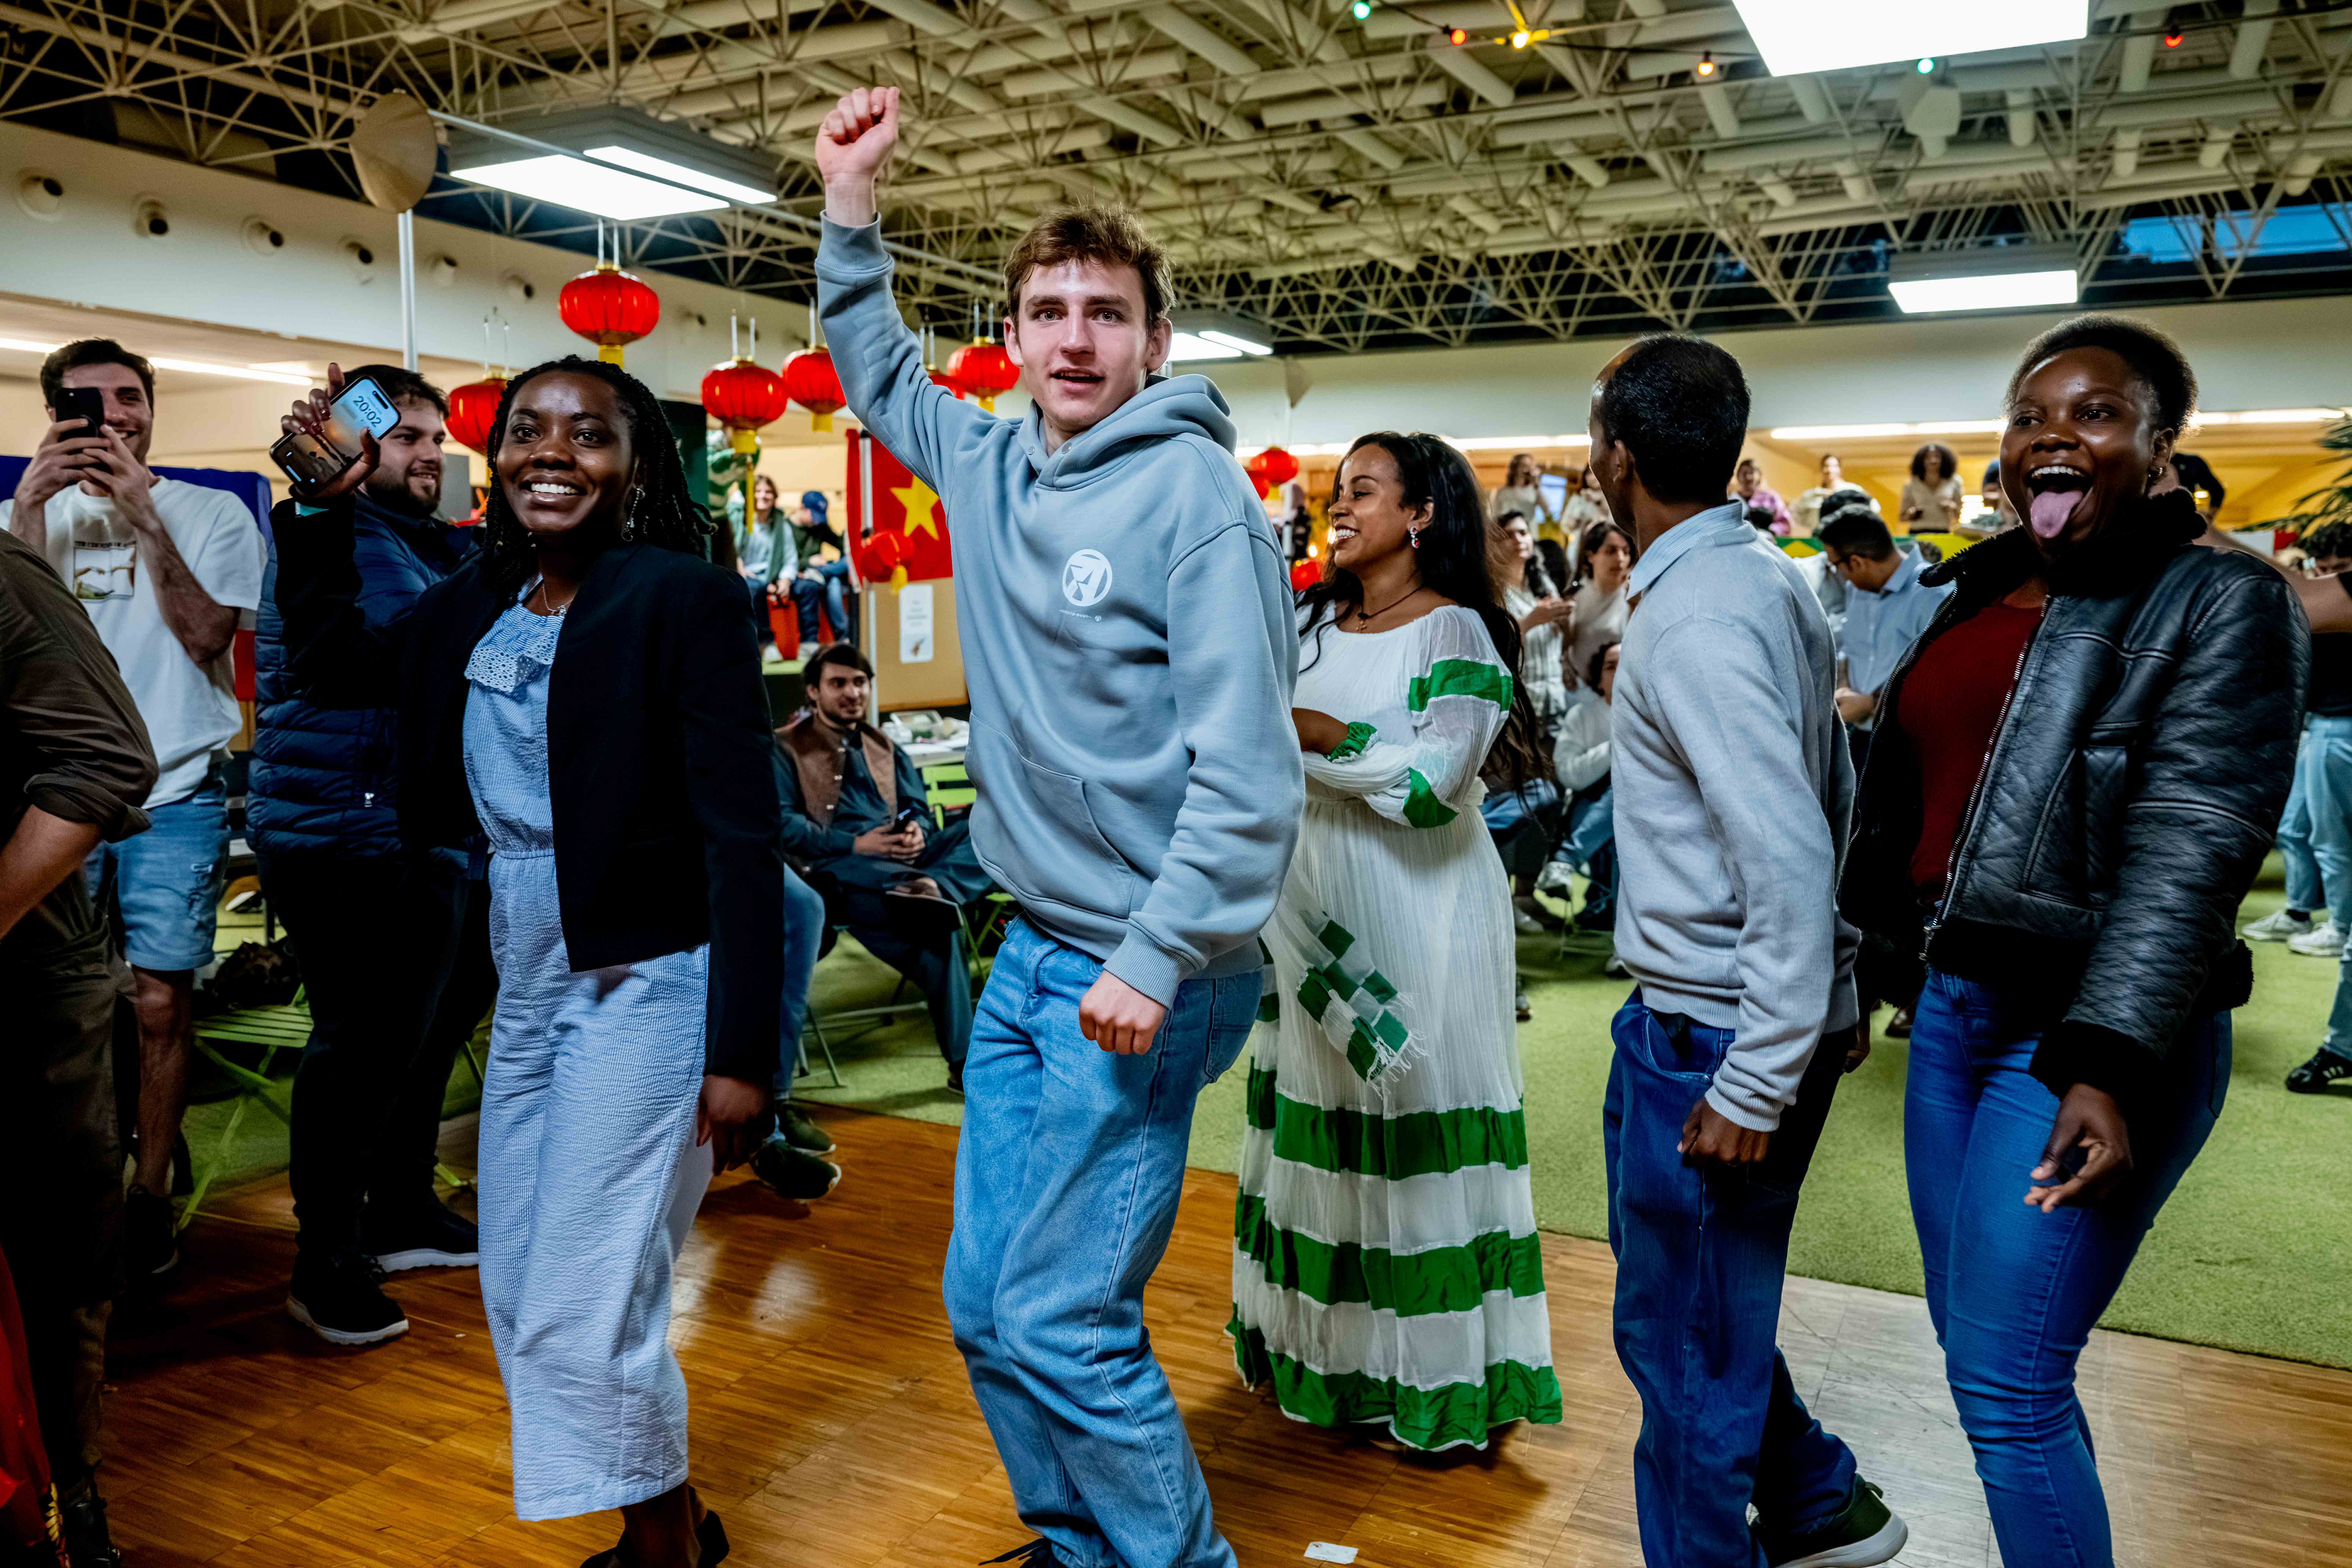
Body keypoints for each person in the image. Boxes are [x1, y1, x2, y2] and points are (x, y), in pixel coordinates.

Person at [817, 86, 1300, 1568]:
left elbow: (1250, 773)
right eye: (1049, 311)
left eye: (1106, 312)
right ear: (1013, 335)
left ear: (1155, 340)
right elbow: (874, 368)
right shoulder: (987, 463)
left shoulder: (1197, 497)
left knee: (1063, 1317)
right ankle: (1082, 1547)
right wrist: (848, 205)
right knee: (984, 1304)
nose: (1076, 338)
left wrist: (1154, 954)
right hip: (1030, 950)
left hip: (1144, 969)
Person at [273, 356, 783, 1568]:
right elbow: (339, 664)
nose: (549, 452)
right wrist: (317, 510)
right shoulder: (480, 596)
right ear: (493, 457)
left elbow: (743, 834)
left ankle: (663, 1553)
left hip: (651, 970)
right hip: (531, 964)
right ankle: (672, 1521)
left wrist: (744, 1051)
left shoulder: (686, 596)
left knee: (580, 1291)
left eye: (586, 433)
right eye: (524, 430)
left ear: (637, 463)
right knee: (517, 1276)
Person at [1840, 314, 2304, 1568]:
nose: (2052, 433)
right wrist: (1867, 966)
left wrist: (2103, 1057)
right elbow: (1906, 806)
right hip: (1952, 1014)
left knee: (2007, 1381)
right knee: (1989, 1357)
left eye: (2095, 413)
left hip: (2085, 1034)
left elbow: (2193, 844)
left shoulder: (2219, 599)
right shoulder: (1976, 589)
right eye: (2029, 415)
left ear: (2160, 448)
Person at [1591, 333, 1905, 1568]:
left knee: (1681, 1346)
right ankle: (1817, 1497)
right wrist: (1824, 994)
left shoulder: (1700, 613)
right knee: (1692, 1311)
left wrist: (1757, 1073)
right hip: (1717, 1012)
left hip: (1716, 1031)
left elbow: (1782, 845)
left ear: (1616, 456)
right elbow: (1827, 792)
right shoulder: (1756, 575)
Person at [1233, 431, 1562, 1451]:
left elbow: (1429, 789)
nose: (1339, 506)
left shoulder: (1456, 633)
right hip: (1309, 901)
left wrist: (1320, 736)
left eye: (1364, 491)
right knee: (1323, 1122)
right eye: (1337, 490)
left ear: (1421, 513)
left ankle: (1434, 1382)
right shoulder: (1307, 621)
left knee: (1411, 1113)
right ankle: (1336, 1367)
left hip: (1419, 904)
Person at [3, 337, 265, 1286]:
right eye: (88, 401)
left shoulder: (211, 512)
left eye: (129, 397)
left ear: (152, 408)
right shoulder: (15, 520)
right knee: (62, 1003)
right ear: (54, 414)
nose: (112, 415)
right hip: (51, 798)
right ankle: (78, 1193)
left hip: (177, 786)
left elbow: (204, 636)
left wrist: (145, 514)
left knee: (159, 1000)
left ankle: (150, 1192)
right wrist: (30, 511)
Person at [244, 363, 495, 1345]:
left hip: (412, 826)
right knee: (359, 1047)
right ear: (356, 445)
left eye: (437, 439)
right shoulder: (345, 533)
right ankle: (327, 1258)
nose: (430, 455)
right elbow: (387, 659)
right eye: (407, 438)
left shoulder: (411, 540)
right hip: (345, 832)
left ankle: (398, 1207)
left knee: (421, 1032)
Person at [0, 519, 158, 1568]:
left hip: (30, 985)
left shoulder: (4, 579)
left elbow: (106, 759)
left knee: (55, 1255)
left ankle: (73, 1494)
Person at [776, 640, 988, 1092]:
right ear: (813, 691)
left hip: (907, 864)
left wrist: (919, 833)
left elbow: (918, 808)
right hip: (841, 867)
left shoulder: (885, 746)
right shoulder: (785, 748)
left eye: (860, 682)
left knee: (993, 827)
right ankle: (964, 1065)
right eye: (838, 683)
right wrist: (857, 844)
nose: (852, 693)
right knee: (939, 929)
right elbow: (783, 825)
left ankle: (934, 884)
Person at [2276, 522, 2352, 1089]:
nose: (2328, 576)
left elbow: (2295, 597)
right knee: (2311, 835)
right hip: (2322, 725)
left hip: (2335, 728)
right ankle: (2344, 1044)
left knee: (2324, 840)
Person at [1821, 496, 1952, 776]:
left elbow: (1940, 675)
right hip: (1860, 736)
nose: (1839, 575)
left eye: (1836, 566)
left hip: (1911, 744)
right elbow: (1850, 650)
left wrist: (1870, 703)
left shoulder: (1933, 592)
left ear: (1857, 562)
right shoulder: (1857, 590)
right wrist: (1844, 689)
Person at [1492, 511, 1571, 940]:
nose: (1519, 539)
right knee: (1514, 802)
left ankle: (1527, 892)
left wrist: (1564, 624)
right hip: (1517, 711)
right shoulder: (1493, 590)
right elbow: (1496, 646)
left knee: (1548, 804)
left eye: (1524, 532)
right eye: (1509, 534)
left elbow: (1559, 645)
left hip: (1552, 702)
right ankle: (1501, 897)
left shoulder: (1543, 586)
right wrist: (1533, 621)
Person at [1538, 639, 1620, 932]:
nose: (1620, 673)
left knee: (1627, 793)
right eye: (1611, 667)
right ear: (1598, 677)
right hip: (1588, 807)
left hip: (1640, 811)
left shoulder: (1653, 717)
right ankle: (1611, 916)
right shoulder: (1581, 716)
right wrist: (1613, 749)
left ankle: (1565, 861)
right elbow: (1568, 775)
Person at [1567, 515, 1632, 683]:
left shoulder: (1635, 596)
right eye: (1611, 551)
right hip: (1582, 686)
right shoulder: (1577, 598)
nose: (1620, 559)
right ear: (1591, 556)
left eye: (1626, 552)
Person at [788, 489, 857, 647]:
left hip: (820, 575)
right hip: (800, 575)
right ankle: (844, 637)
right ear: (802, 508)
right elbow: (783, 563)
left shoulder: (820, 527)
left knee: (840, 571)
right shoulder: (787, 527)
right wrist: (809, 561)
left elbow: (842, 546)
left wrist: (851, 532)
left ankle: (844, 640)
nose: (817, 521)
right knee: (838, 575)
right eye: (814, 516)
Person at [736, 474, 797, 647]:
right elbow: (732, 553)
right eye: (758, 491)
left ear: (775, 497)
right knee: (754, 588)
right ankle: (764, 643)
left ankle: (809, 643)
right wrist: (740, 567)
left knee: (809, 588)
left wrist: (786, 580)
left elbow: (791, 559)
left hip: (773, 576)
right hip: (746, 576)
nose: (763, 496)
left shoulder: (782, 526)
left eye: (768, 492)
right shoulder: (740, 521)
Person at [1898, 442, 1964, 534]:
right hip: (1917, 532)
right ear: (1921, 461)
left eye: (1937, 457)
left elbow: (1959, 515)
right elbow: (1902, 517)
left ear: (1944, 460)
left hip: (1943, 531)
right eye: (1928, 458)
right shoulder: (1911, 484)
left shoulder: (1955, 482)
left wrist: (1952, 507)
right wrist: (1912, 513)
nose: (1933, 460)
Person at [1489, 451, 1553, 528]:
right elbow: (1495, 515)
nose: (1526, 469)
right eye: (1523, 465)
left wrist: (1537, 486)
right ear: (1515, 468)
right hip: (1508, 531)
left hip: (1529, 531)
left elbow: (1547, 509)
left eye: (1530, 466)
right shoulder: (1503, 492)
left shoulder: (1534, 490)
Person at [1732, 454, 1793, 534]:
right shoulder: (1732, 499)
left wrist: (1769, 530)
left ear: (1759, 475)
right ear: (1738, 476)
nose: (1748, 477)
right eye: (1744, 473)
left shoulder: (1771, 498)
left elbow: (1786, 524)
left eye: (1752, 473)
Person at [1792, 451, 1847, 535]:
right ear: (1822, 469)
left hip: (1843, 537)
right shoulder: (1812, 495)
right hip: (1818, 537)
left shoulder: (1851, 492)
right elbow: (1796, 514)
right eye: (1826, 466)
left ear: (1840, 469)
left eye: (1834, 466)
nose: (1830, 470)